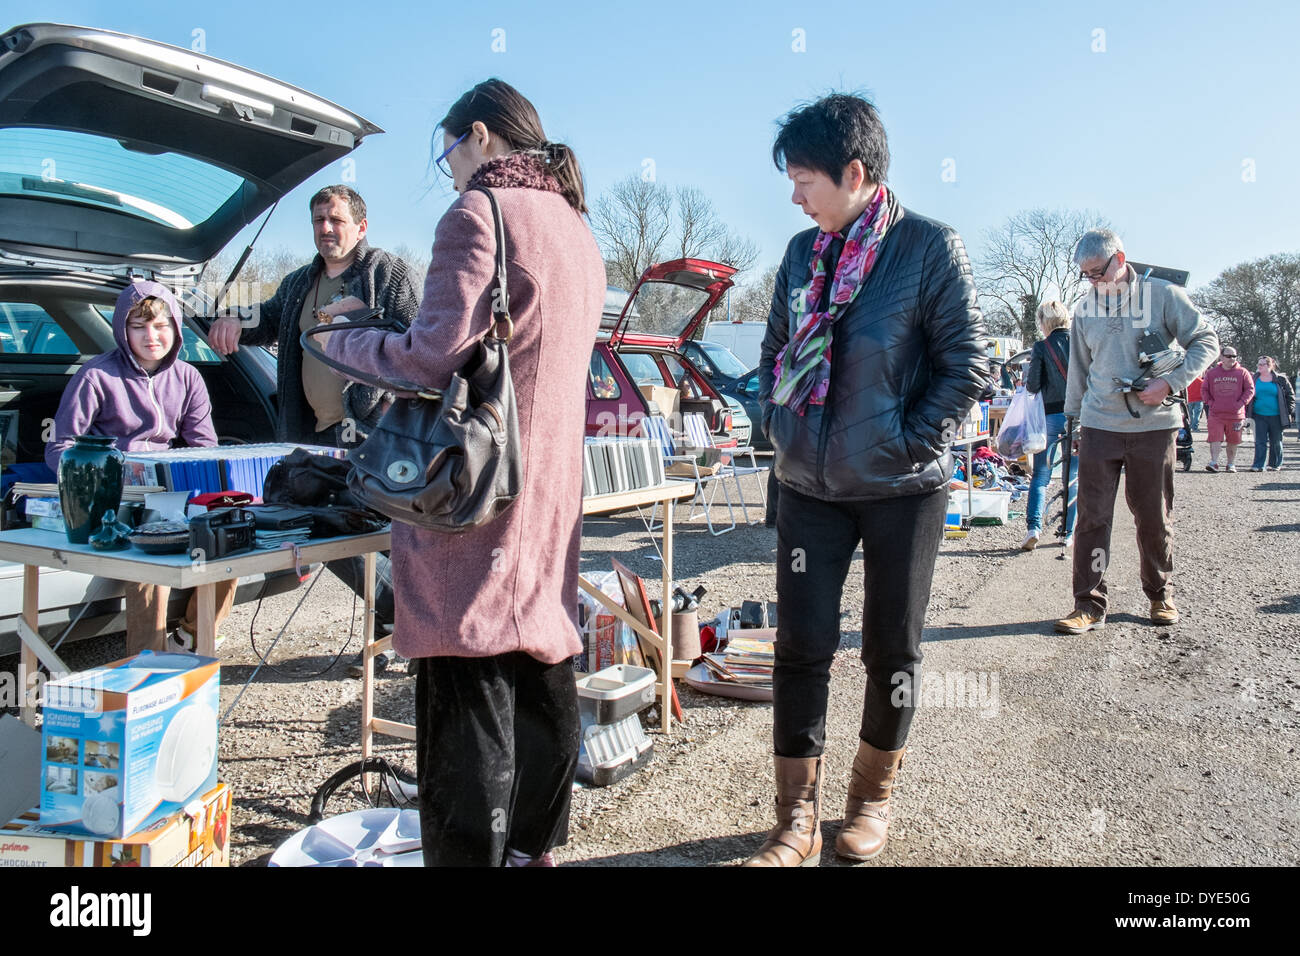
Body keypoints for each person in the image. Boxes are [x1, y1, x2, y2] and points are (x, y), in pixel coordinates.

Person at [318, 79, 605, 867]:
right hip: (548, 488)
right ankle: (534, 850)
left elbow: (430, 356)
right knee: (542, 659)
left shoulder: (479, 212)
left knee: (466, 671)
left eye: (448, 151)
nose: (447, 169)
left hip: (478, 494)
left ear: (478, 135)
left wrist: (339, 342)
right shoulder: (577, 228)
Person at [747, 94, 988, 867]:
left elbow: (965, 367)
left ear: (856, 173)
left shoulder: (928, 248)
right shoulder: (796, 254)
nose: (794, 195)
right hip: (809, 490)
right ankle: (795, 819)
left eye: (804, 178)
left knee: (891, 650)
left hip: (902, 492)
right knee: (801, 646)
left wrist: (907, 443)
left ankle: (870, 801)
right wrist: (777, 426)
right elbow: (775, 356)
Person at [208, 185, 420, 674]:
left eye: (336, 220)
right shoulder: (301, 281)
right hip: (315, 434)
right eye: (319, 220)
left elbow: (419, 340)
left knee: (387, 531)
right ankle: (401, 622)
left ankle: (401, 632)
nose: (326, 228)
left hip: (376, 430)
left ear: (360, 227)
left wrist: (366, 342)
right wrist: (231, 318)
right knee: (324, 526)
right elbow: (267, 321)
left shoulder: (387, 273)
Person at [46, 281, 236, 654]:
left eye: (162, 325)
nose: (152, 335)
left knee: (231, 540)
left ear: (176, 328)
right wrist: (97, 490)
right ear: (122, 328)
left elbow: (204, 448)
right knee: (153, 558)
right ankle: (147, 662)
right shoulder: (96, 376)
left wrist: (209, 497)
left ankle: (191, 638)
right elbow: (60, 449)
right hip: (113, 498)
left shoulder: (188, 377)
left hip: (170, 491)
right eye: (139, 326)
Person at [1055, 230, 1218, 635]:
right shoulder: (1084, 309)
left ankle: (1160, 593)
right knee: (1091, 517)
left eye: (1098, 272)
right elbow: (1079, 368)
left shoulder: (1162, 295)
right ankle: (1088, 603)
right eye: (1086, 275)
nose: (1093, 281)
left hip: (1154, 426)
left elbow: (1206, 340)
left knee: (1152, 516)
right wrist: (1074, 420)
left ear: (1120, 259)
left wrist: (1171, 382)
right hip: (1098, 425)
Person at [1020, 300, 1076, 551]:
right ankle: (1068, 532)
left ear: (1044, 322)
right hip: (1079, 417)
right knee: (1072, 476)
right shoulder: (1080, 342)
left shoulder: (1041, 347)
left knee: (1040, 474)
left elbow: (1032, 386)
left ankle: (1034, 527)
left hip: (1050, 417)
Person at [1202, 347, 1254, 473]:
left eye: (1234, 356)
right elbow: (1204, 390)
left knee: (1233, 440)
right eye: (1229, 356)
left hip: (1236, 415)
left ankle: (1231, 464)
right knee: (1215, 439)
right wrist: (1210, 403)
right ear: (1221, 357)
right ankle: (1214, 462)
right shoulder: (1212, 373)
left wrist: (1241, 403)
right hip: (1216, 414)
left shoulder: (1242, 372)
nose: (1232, 359)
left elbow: (1250, 389)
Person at [1249, 356, 1294, 471]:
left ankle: (1275, 464)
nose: (1259, 366)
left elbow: (1290, 395)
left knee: (1276, 441)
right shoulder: (1253, 378)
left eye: (1262, 364)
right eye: (1258, 364)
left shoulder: (1281, 379)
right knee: (1260, 441)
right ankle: (1258, 465)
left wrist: (1288, 410)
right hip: (1258, 415)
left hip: (1277, 416)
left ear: (1270, 365)